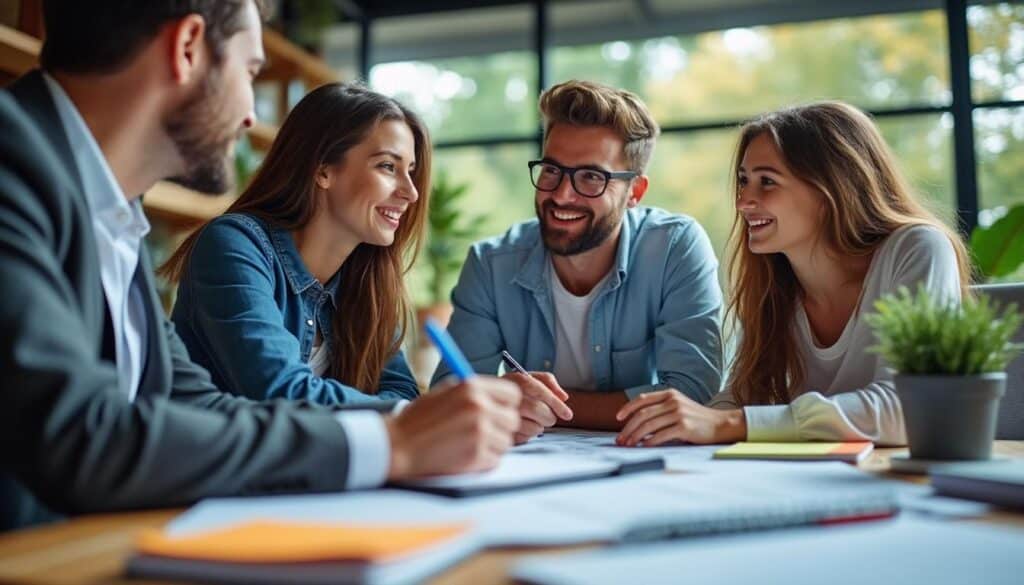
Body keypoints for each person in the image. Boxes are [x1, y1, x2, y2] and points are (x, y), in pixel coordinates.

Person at [0, 0, 520, 532]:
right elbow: (79, 433)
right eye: (251, 71)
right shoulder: (16, 172)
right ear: (187, 49)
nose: (251, 115)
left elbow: (196, 405)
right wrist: (391, 441)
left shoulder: (112, 210)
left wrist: (423, 426)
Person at [616, 101, 970, 447]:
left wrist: (728, 423)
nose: (743, 202)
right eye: (743, 180)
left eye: (767, 182)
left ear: (831, 188)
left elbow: (915, 408)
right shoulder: (775, 283)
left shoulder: (918, 249)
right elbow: (741, 397)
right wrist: (685, 425)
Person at [433, 80, 724, 443]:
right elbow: (449, 394)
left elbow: (692, 394)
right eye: (551, 170)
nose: (562, 195)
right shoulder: (491, 264)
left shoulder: (674, 248)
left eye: (591, 177)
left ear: (635, 192)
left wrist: (524, 405)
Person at [161, 82, 426, 406]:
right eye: (388, 166)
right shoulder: (234, 245)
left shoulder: (366, 281)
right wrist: (405, 417)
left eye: (410, 171)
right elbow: (279, 389)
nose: (411, 193)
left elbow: (402, 392)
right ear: (323, 170)